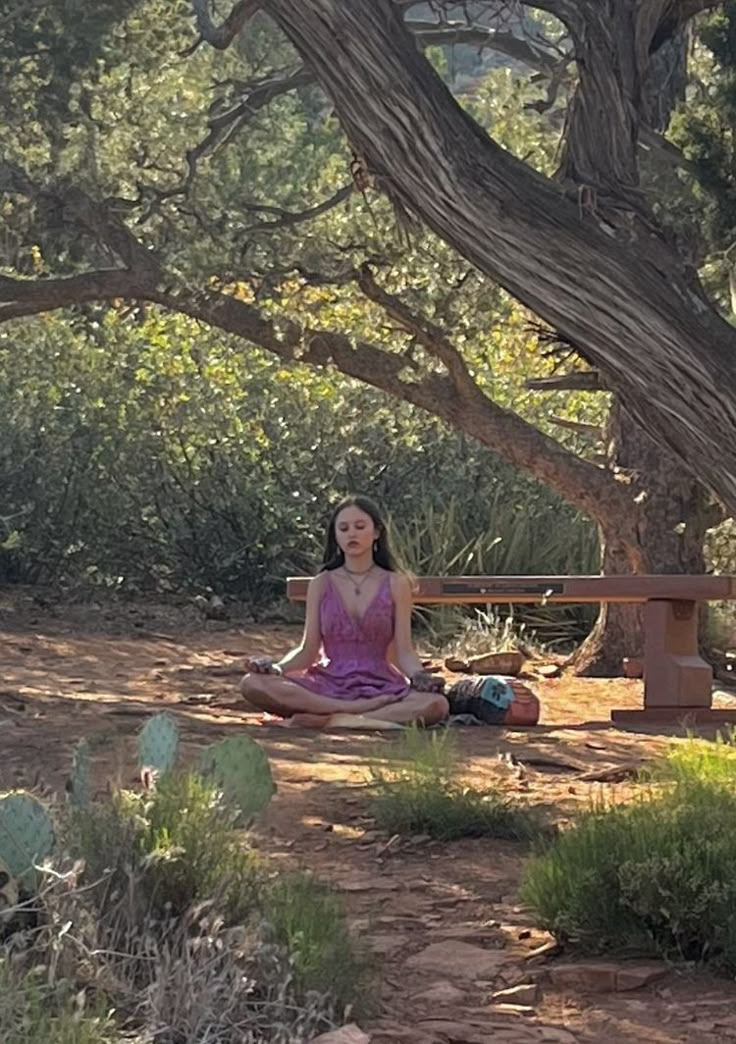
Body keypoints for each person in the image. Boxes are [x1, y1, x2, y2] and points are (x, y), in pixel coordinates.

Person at [240, 495, 449, 728]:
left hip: (381, 686)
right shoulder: (321, 583)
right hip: (328, 684)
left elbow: (404, 651)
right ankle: (352, 713)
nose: (352, 534)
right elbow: (307, 650)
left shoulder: (396, 584)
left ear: (377, 532)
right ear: (335, 535)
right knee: (252, 683)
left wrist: (419, 677)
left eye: (360, 527)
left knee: (436, 705)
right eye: (344, 528)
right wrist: (277, 669)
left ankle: (335, 720)